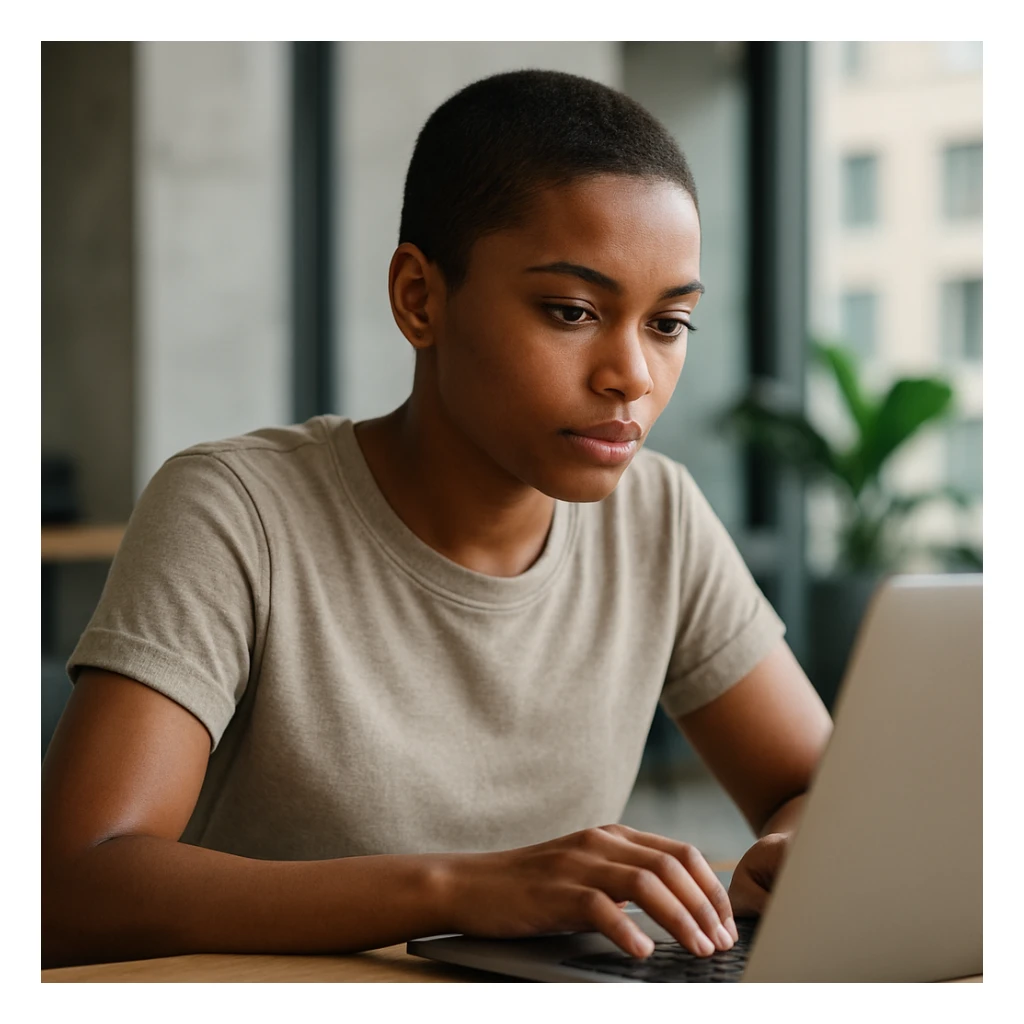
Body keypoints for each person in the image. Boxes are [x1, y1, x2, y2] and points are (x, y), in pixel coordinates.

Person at [41, 69, 832, 970]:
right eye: (572, 311)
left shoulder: (661, 515)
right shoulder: (237, 511)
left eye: (668, 324)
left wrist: (802, 847)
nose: (633, 377)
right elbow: (69, 885)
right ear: (421, 298)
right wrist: (458, 891)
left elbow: (822, 792)